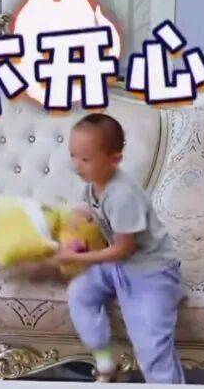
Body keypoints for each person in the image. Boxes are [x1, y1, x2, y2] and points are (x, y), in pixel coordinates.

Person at [56, 113, 183, 383]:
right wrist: (73, 224)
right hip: (119, 267)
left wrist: (77, 257)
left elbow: (123, 249)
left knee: (151, 346)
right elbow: (92, 212)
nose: (76, 165)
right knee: (80, 292)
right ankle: (104, 360)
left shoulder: (123, 195)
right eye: (73, 155)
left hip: (151, 271)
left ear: (114, 159)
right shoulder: (93, 185)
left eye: (85, 159)